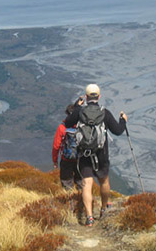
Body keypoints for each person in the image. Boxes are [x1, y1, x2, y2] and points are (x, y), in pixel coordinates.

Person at [64, 83, 127, 227]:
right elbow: (117, 130)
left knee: (86, 184)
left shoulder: (80, 112)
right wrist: (123, 120)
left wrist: (76, 106)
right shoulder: (105, 113)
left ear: (86, 97)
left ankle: (89, 217)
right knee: (104, 181)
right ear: (99, 97)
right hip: (101, 153)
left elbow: (67, 123)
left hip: (85, 154)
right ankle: (104, 209)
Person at [52, 104, 82, 191]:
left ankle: (69, 201)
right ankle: (83, 201)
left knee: (66, 183)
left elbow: (56, 146)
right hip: (80, 159)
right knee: (81, 183)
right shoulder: (83, 127)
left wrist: (55, 161)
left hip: (66, 159)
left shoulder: (62, 127)